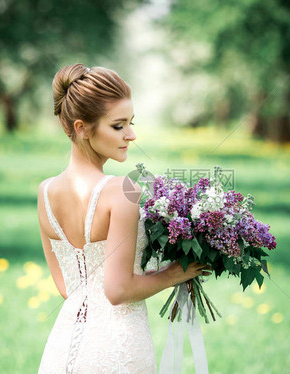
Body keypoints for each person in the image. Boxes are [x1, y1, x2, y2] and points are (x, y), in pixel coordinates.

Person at [36, 63, 209, 373]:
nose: (131, 135)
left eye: (131, 123)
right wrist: (174, 273)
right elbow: (116, 291)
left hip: (62, 348)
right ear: (81, 128)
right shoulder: (121, 190)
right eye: (118, 126)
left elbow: (67, 288)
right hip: (119, 348)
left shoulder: (45, 192)